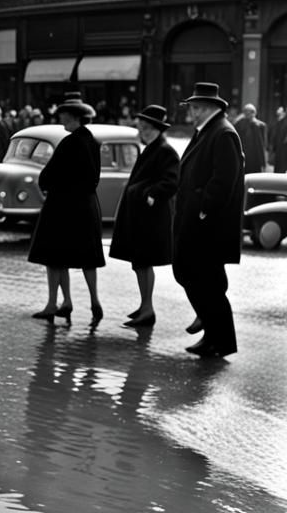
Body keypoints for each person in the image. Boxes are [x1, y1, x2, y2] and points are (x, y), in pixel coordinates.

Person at [172, 82, 245, 359]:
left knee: (209, 285)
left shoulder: (223, 132)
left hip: (207, 226)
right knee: (194, 277)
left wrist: (204, 209)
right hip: (197, 222)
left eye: (198, 108)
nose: (194, 113)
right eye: (192, 107)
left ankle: (221, 342)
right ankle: (211, 335)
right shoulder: (210, 130)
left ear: (214, 108)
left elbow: (224, 180)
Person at [26, 93, 105, 325]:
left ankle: (57, 302)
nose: (61, 119)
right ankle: (94, 300)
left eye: (64, 115)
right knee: (88, 258)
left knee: (54, 256)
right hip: (88, 205)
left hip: (63, 206)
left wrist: (46, 183)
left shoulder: (69, 142)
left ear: (74, 118)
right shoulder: (92, 142)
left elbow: (48, 175)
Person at [108, 105, 180, 328]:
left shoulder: (164, 150)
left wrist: (151, 194)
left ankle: (148, 309)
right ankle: (144, 305)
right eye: (140, 127)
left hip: (151, 217)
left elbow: (171, 181)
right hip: (142, 215)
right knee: (140, 262)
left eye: (146, 128)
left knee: (144, 261)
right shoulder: (151, 148)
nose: (142, 132)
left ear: (157, 128)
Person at [233, 103, 267, 175]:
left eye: (250, 112)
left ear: (254, 113)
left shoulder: (261, 125)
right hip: (243, 155)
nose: (248, 114)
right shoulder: (239, 124)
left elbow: (262, 144)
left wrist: (263, 161)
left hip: (256, 156)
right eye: (246, 112)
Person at [270, 105, 287, 174]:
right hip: (280, 146)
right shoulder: (281, 121)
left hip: (284, 146)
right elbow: (275, 133)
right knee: (279, 165)